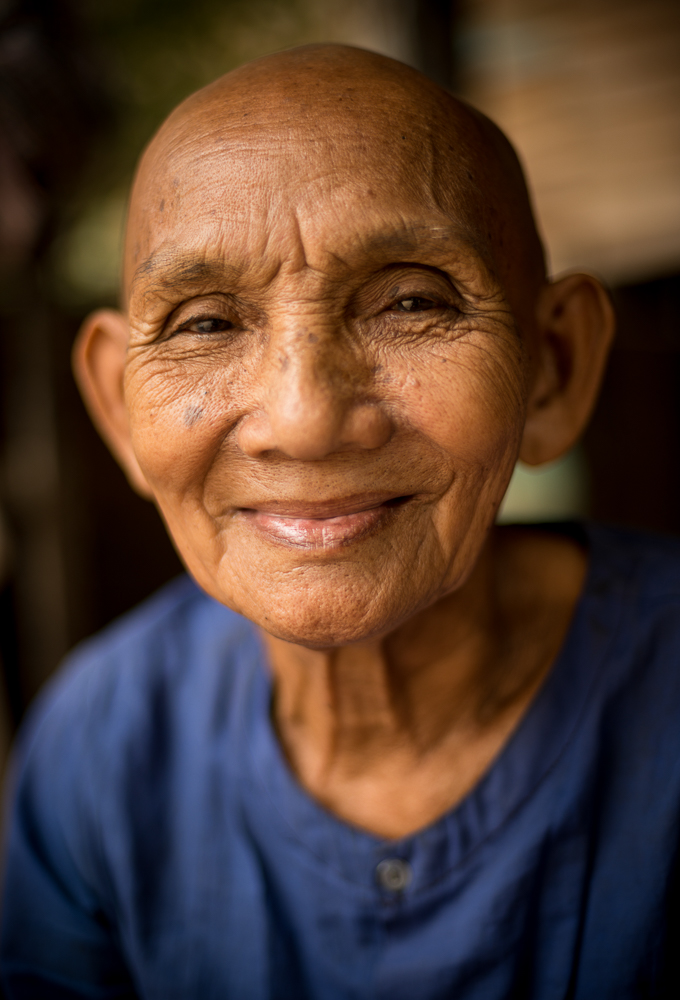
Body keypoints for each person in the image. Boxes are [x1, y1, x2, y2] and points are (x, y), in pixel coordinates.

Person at [1, 43, 679, 999]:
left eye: (411, 300)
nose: (305, 422)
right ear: (120, 409)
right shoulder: (100, 746)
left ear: (552, 369)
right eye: (204, 323)